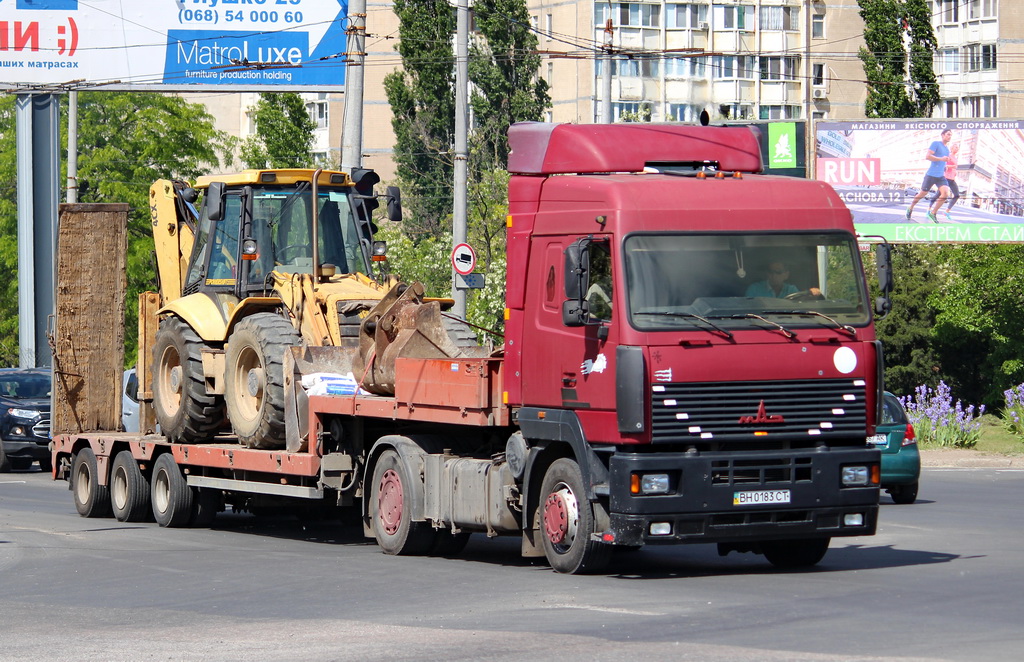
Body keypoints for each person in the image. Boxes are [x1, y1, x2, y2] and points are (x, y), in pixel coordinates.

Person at [906, 129, 952, 223]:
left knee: (946, 193)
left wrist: (945, 166)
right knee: (922, 194)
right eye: (948, 134)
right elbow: (927, 157)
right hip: (931, 175)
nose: (949, 136)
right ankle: (910, 207)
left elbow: (942, 161)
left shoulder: (947, 150)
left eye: (951, 135)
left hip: (940, 176)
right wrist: (941, 159)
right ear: (942, 135)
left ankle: (933, 213)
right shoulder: (936, 144)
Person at [942, 143, 961, 221]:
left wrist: (955, 172)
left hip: (952, 179)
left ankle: (947, 211)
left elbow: (954, 168)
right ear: (952, 148)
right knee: (940, 195)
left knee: (957, 195)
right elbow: (944, 165)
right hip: (946, 178)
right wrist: (952, 167)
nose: (957, 148)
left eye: (958, 147)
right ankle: (929, 209)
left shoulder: (956, 158)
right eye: (955, 147)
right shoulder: (948, 155)